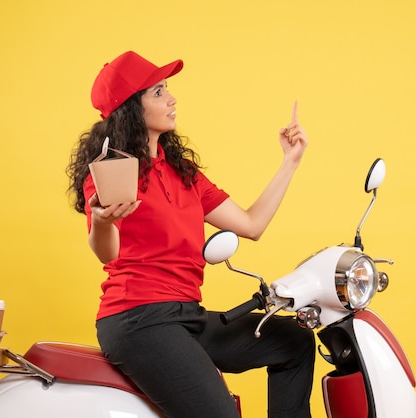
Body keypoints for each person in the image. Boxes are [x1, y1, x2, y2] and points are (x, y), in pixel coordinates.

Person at [66, 50, 315, 418]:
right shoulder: (113, 171)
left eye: (167, 89)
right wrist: (102, 221)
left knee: (293, 341)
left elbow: (251, 225)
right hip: (138, 320)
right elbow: (107, 253)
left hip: (186, 317)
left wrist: (290, 162)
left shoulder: (183, 172)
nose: (172, 99)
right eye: (158, 93)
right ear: (132, 108)